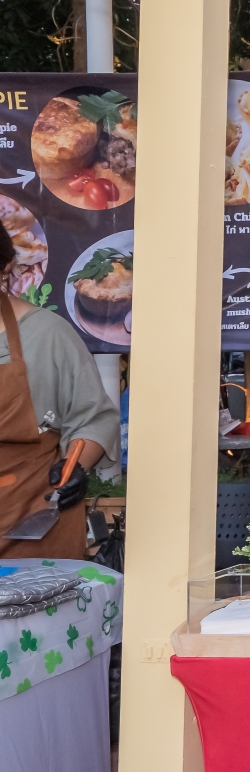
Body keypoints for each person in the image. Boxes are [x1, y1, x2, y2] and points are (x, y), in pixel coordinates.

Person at [0, 227, 120, 558]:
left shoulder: (47, 335)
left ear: (6, 267)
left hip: (33, 515)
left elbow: (93, 418)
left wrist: (76, 466)